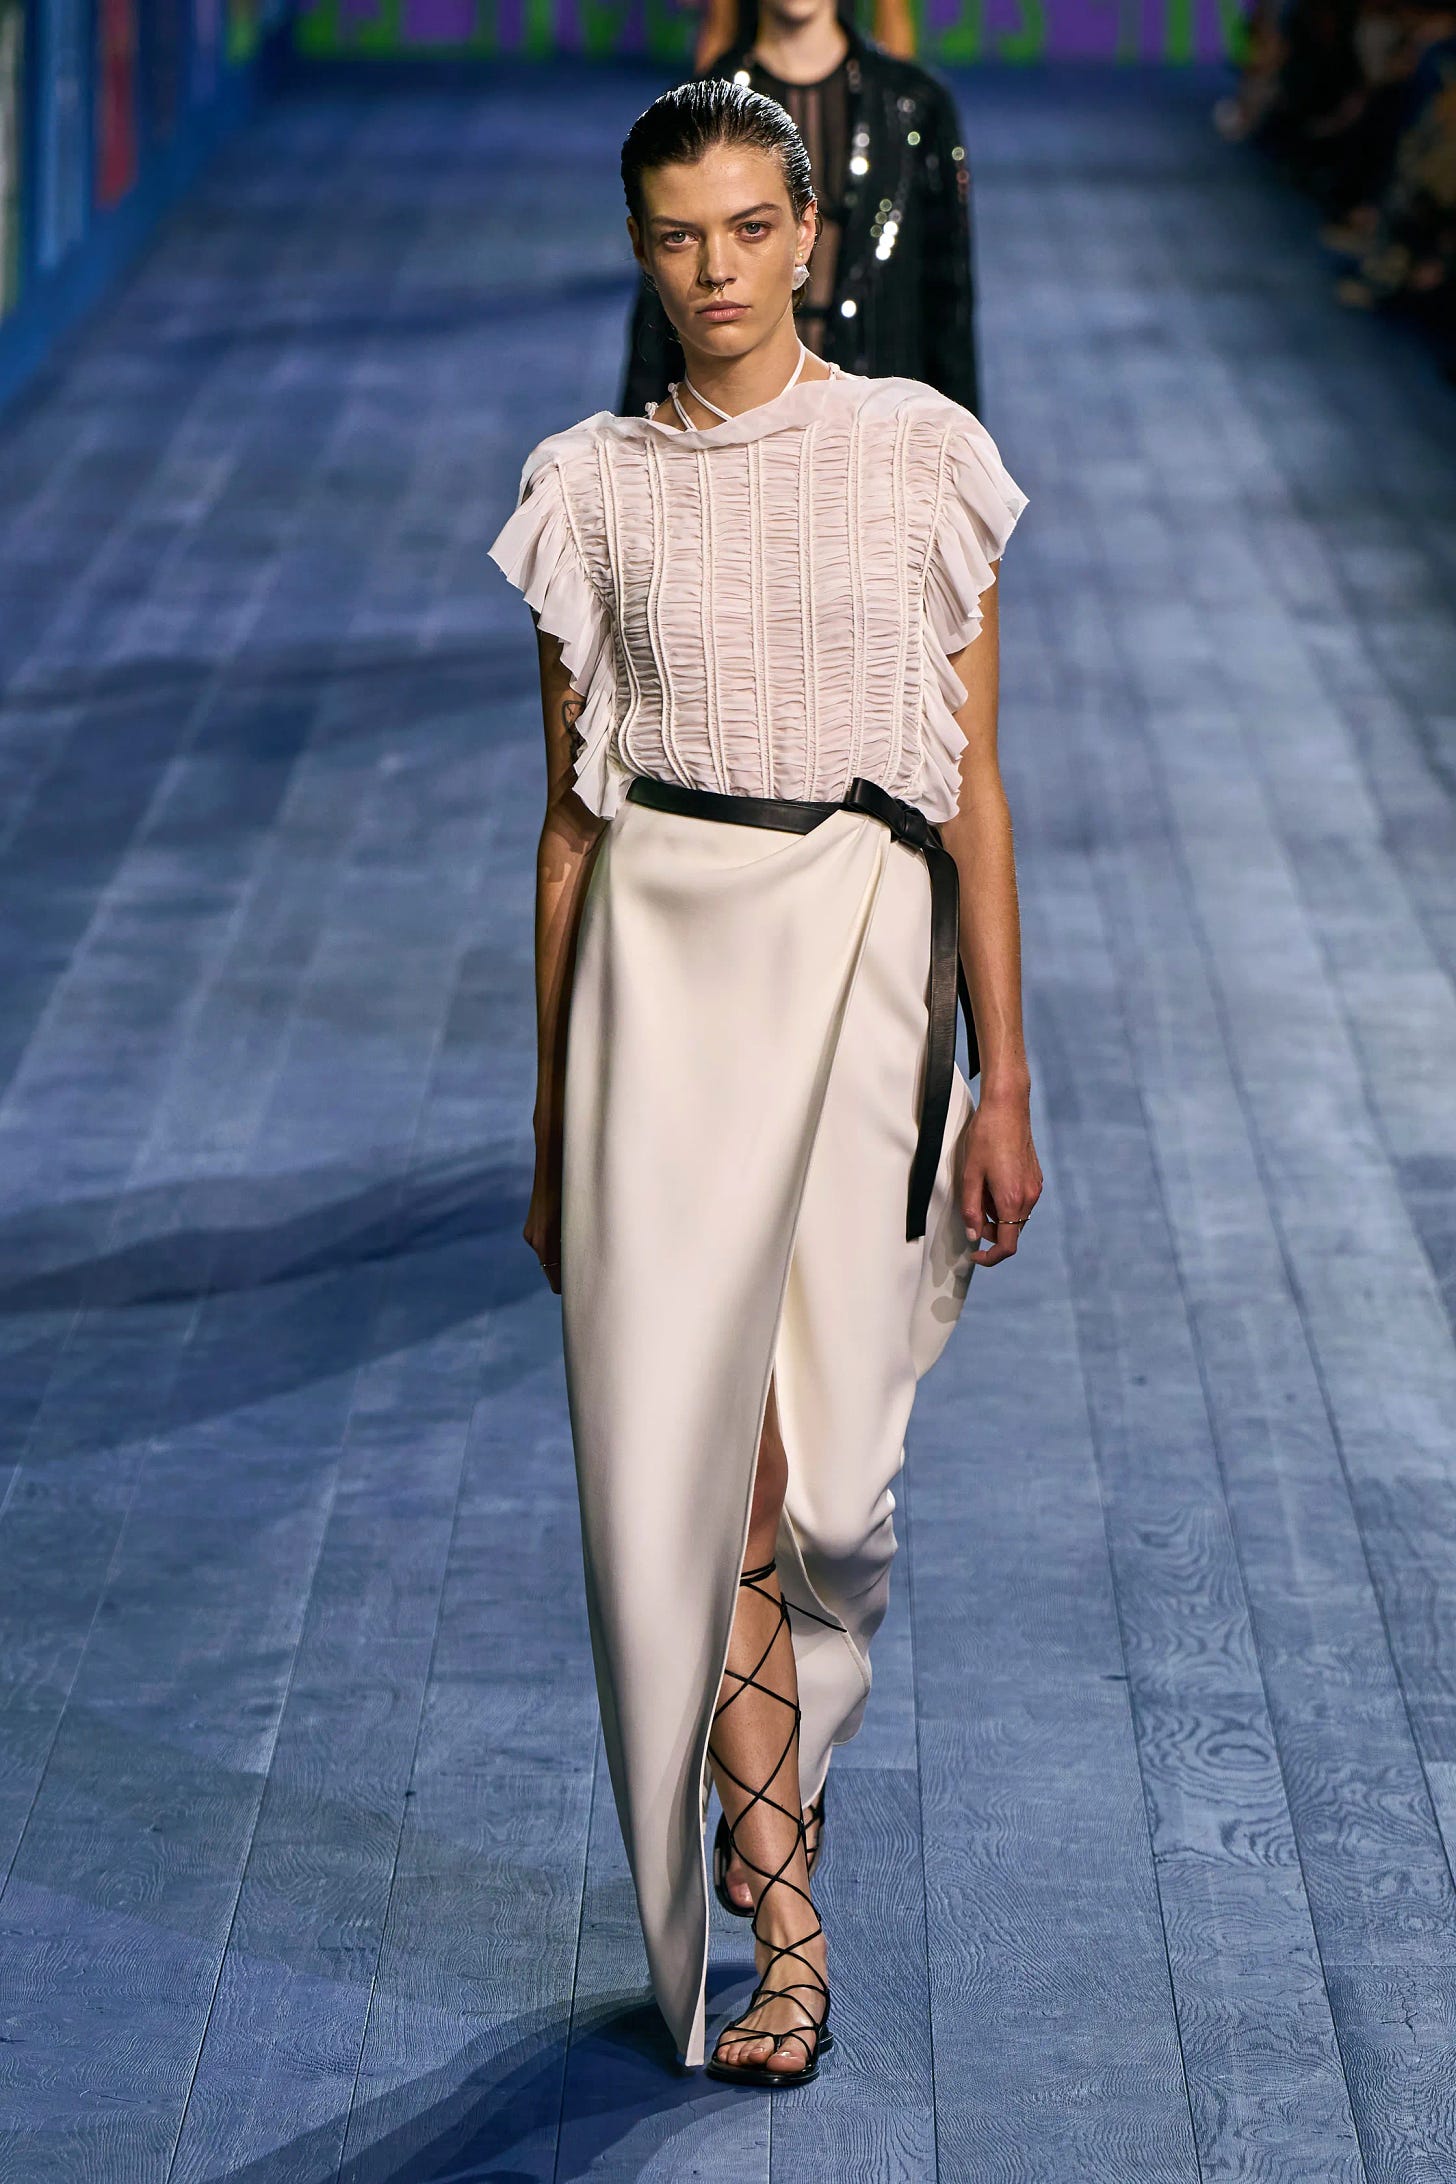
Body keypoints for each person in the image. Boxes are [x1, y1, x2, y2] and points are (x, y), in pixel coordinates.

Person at [490, 79, 1040, 2088]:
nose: (709, 273)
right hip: (656, 967)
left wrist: (1002, 1078)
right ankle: (778, 1912)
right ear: (637, 251)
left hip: (866, 950)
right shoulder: (586, 486)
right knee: (701, 1465)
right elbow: (560, 830)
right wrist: (553, 1130)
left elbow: (971, 784)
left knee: (834, 1495)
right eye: (670, 237)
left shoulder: (920, 458)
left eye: (743, 229)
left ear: (810, 233)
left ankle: (768, 1773)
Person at [620, 0, 980, 418]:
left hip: (879, 424)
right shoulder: (694, 112)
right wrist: (637, 438)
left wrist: (958, 442)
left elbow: (948, 299)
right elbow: (659, 304)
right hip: (728, 424)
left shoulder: (915, 106)